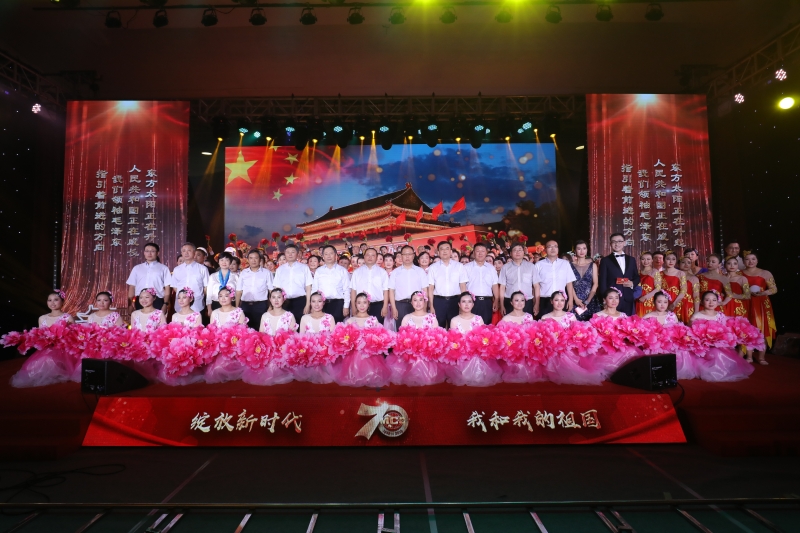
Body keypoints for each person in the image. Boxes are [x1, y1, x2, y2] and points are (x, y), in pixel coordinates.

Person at [742, 252, 777, 361]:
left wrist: (763, 293)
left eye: (753, 259)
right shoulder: (739, 273)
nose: (750, 261)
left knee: (763, 329)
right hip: (745, 303)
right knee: (747, 330)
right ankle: (749, 356)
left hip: (761, 304)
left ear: (757, 261)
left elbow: (774, 289)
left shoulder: (765, 273)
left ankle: (762, 357)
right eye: (747, 259)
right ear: (743, 261)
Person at [428, 241, 468, 328]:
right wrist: (431, 305)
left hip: (455, 301)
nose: (444, 251)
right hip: (439, 302)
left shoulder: (459, 266)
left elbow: (463, 286)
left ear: (451, 251)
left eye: (447, 249)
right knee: (439, 328)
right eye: (442, 249)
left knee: (455, 327)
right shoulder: (433, 267)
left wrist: (463, 303)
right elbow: (430, 288)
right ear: (438, 252)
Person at [598, 233, 640, 316]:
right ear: (610, 244)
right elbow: (602, 281)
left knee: (627, 322)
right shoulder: (605, 260)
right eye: (614, 242)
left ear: (624, 243)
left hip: (628, 297)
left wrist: (632, 283)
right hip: (612, 300)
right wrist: (604, 299)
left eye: (619, 241)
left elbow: (637, 277)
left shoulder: (631, 259)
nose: (617, 244)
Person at [273, 244, 313, 326]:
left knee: (300, 325)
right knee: (285, 325)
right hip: (284, 302)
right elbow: (277, 288)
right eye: (288, 252)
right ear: (285, 254)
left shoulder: (304, 268)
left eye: (293, 252)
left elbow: (308, 287)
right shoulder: (280, 269)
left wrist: (308, 304)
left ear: (297, 254)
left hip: (300, 301)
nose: (290, 254)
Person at [534, 240, 577, 318]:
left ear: (558, 249)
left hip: (561, 300)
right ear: (545, 250)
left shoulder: (565, 263)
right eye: (550, 247)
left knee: (561, 323)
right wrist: (536, 304)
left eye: (555, 246)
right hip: (544, 300)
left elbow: (569, 283)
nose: (553, 249)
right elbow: (536, 286)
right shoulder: (539, 265)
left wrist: (570, 300)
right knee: (544, 323)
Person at [389, 245, 429, 326]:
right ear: (401, 256)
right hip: (400, 305)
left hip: (417, 304)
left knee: (418, 329)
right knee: (401, 330)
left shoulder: (420, 271)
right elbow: (391, 291)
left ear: (413, 256)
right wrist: (394, 308)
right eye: (405, 254)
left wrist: (424, 306)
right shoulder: (395, 272)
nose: (407, 256)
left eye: (409, 254)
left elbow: (425, 290)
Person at [126, 242, 171, 312]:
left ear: (157, 253)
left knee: (157, 319)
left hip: (157, 300)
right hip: (140, 300)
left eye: (152, 251)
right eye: (147, 251)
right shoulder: (137, 268)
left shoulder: (163, 268)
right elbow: (132, 286)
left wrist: (165, 304)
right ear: (144, 253)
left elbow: (167, 288)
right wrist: (130, 304)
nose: (149, 253)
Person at [349, 248, 389, 324]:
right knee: (360, 328)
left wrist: (385, 307)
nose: (370, 257)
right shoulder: (357, 272)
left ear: (376, 258)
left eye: (373, 255)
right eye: (368, 255)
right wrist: (353, 307)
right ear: (364, 257)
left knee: (377, 329)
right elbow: (353, 291)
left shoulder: (382, 272)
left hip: (377, 305)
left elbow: (385, 291)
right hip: (361, 306)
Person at [499, 243, 540, 316]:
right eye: (515, 250)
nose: (517, 252)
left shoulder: (531, 267)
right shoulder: (505, 267)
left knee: (527, 322)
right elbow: (502, 287)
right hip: (510, 301)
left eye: (520, 250)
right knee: (510, 322)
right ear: (510, 253)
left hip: (527, 301)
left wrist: (537, 304)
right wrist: (502, 305)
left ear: (523, 252)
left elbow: (536, 286)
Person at [312, 245, 351, 323]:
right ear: (323, 256)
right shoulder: (319, 271)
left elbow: (347, 289)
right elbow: (315, 288)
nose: (328, 256)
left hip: (338, 304)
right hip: (322, 304)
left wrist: (346, 306)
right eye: (326, 254)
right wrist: (313, 305)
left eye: (331, 253)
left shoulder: (342, 271)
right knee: (322, 326)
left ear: (335, 255)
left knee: (336, 327)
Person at [463, 243, 500, 325]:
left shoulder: (491, 268)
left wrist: (496, 300)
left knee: (486, 326)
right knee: (471, 326)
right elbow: (463, 285)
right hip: (471, 301)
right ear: (473, 253)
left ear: (486, 253)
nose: (480, 253)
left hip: (487, 302)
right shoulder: (466, 267)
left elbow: (494, 285)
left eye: (482, 251)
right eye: (477, 251)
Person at [234, 250, 273, 327]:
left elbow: (271, 290)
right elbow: (239, 291)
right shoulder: (243, 273)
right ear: (248, 260)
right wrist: (236, 307)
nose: (253, 260)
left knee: (260, 327)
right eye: (251, 258)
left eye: (256, 258)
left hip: (261, 305)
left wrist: (271, 306)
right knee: (245, 328)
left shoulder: (266, 273)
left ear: (260, 259)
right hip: (245, 305)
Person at [170, 242, 210, 317]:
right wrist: (183, 296)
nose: (186, 253)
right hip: (180, 305)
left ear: (194, 253)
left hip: (197, 304)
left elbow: (206, 287)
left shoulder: (203, 269)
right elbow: (175, 287)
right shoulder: (177, 269)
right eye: (184, 251)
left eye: (189, 250)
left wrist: (198, 296)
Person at [569, 240, 600, 321]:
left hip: (590, 300)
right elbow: (569, 284)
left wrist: (588, 300)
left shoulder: (593, 265)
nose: (582, 251)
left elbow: (595, 284)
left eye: (584, 248)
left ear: (587, 250)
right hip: (575, 300)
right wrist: (575, 299)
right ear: (575, 251)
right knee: (575, 325)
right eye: (579, 249)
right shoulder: (570, 265)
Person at [660, 251, 687, 317]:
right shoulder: (659, 274)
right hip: (662, 303)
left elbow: (683, 290)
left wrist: (674, 304)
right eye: (668, 259)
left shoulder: (681, 273)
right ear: (664, 260)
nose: (671, 261)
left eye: (673, 259)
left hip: (676, 302)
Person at [635, 251, 662, 317]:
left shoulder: (655, 272)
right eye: (643, 259)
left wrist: (645, 297)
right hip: (638, 300)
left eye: (648, 259)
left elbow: (658, 288)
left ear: (652, 260)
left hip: (649, 300)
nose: (646, 261)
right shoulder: (637, 272)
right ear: (640, 260)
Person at [678, 256, 700, 324]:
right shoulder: (674, 276)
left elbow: (696, 296)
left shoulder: (694, 278)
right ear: (678, 264)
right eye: (683, 262)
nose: (686, 264)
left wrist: (696, 311)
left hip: (687, 305)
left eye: (689, 263)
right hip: (674, 304)